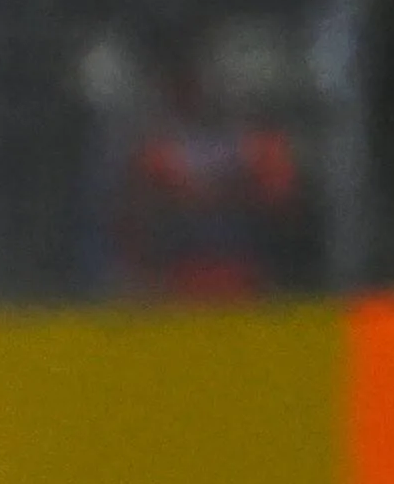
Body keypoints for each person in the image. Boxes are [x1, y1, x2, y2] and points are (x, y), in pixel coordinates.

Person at [115, 37, 302, 300]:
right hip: (175, 283)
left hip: (250, 279)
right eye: (193, 82)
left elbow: (281, 204)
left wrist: (224, 192)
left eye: (221, 79)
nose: (209, 89)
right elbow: (139, 211)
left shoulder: (261, 144)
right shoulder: (156, 148)